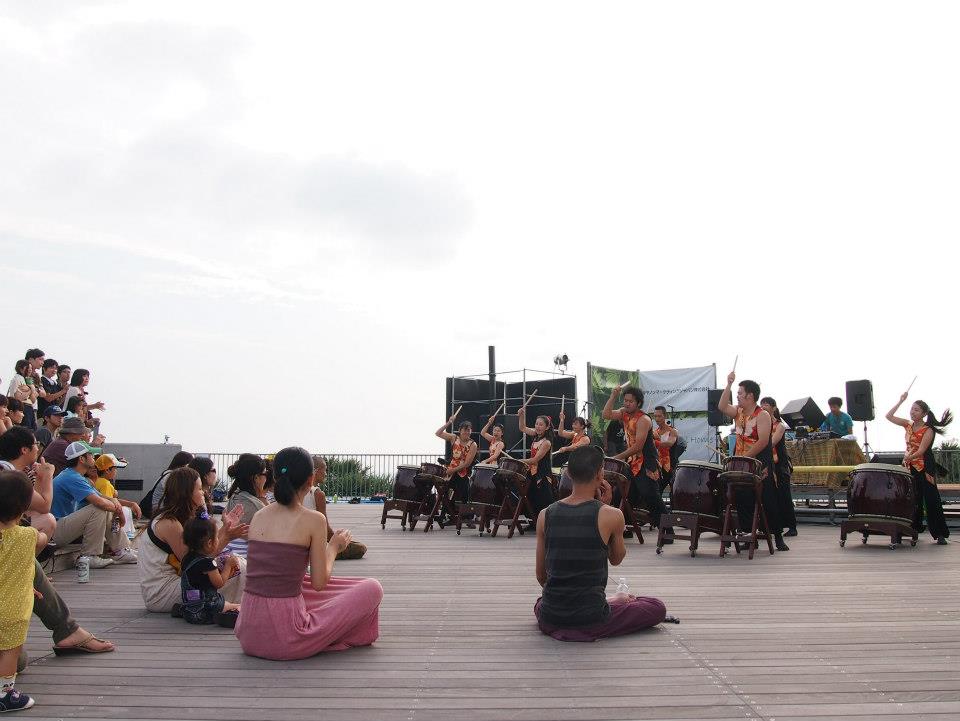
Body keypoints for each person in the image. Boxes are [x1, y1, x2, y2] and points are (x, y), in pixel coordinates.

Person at [235, 446, 383, 659]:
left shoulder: (260, 515)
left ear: (274, 478)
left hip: (249, 634)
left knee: (297, 579)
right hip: (286, 637)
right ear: (311, 479)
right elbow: (319, 583)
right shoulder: (314, 520)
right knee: (372, 588)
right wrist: (334, 547)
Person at [533, 445, 670, 641]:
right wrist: (607, 509)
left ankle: (607, 602)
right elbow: (616, 559)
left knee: (540, 602)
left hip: (551, 616)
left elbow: (541, 576)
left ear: (568, 473)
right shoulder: (612, 515)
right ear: (600, 474)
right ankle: (611, 602)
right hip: (592, 617)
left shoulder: (544, 514)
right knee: (656, 607)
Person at [138, 467, 247, 613]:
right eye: (200, 489)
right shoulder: (169, 523)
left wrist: (225, 529)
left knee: (235, 562)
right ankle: (234, 606)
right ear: (186, 493)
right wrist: (227, 536)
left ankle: (232, 605)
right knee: (236, 568)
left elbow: (205, 546)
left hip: (178, 584)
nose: (204, 492)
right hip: (162, 593)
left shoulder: (177, 517)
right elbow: (196, 562)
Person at [717, 373, 789, 551]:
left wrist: (744, 458)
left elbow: (763, 441)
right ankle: (750, 536)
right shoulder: (738, 412)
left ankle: (778, 536)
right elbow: (721, 406)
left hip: (759, 464)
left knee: (767, 500)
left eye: (740, 393)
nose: (737, 396)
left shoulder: (762, 415)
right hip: (742, 464)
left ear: (750, 396)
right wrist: (729, 384)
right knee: (743, 498)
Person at [0, 470, 46, 712]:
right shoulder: (27, 536)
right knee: (10, 651)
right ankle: (5, 694)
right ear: (24, 507)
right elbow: (42, 538)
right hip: (13, 610)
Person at [51, 441, 136, 566]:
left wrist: (114, 501)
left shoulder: (76, 476)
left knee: (105, 506)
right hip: (54, 532)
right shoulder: (71, 477)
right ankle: (89, 556)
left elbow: (101, 497)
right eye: (90, 454)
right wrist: (118, 510)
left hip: (63, 528)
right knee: (99, 508)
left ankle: (121, 550)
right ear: (81, 459)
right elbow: (100, 503)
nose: (94, 458)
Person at [601, 385, 670, 536]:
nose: (627, 403)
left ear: (638, 403)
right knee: (621, 495)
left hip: (647, 462)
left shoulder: (643, 419)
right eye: (625, 400)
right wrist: (613, 396)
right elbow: (606, 414)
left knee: (651, 496)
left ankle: (667, 531)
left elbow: (638, 446)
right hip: (632, 463)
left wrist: (617, 457)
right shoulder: (624, 413)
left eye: (630, 401)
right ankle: (624, 529)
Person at [886, 393, 953, 544]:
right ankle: (911, 528)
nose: (912, 412)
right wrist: (900, 401)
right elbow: (889, 416)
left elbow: (922, 450)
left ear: (924, 413)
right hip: (910, 465)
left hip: (925, 466)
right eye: (912, 409)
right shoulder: (908, 424)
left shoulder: (928, 429)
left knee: (931, 498)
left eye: (916, 410)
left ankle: (939, 533)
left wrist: (908, 457)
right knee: (911, 498)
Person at [179, 517, 241, 625]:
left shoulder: (186, 559)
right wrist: (228, 565)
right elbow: (219, 583)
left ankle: (182, 610)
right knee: (239, 606)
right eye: (217, 537)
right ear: (209, 543)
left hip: (190, 608)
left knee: (223, 602)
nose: (218, 539)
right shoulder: (208, 563)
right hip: (207, 609)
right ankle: (228, 615)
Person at [305, 456, 367, 560]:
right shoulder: (317, 493)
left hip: (298, 540)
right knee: (361, 548)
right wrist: (337, 542)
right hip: (314, 545)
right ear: (316, 471)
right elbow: (325, 529)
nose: (326, 473)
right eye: (325, 469)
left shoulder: (297, 491)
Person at [0, 426, 57, 539]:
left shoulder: (7, 468)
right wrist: (48, 476)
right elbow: (45, 506)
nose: (37, 448)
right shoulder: (12, 476)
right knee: (48, 520)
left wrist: (39, 477)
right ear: (24, 450)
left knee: (35, 514)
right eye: (36, 444)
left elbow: (32, 505)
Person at [760, 397, 798, 538]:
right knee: (771, 497)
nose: (763, 406)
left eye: (766, 404)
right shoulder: (761, 425)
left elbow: (771, 443)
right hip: (767, 464)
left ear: (774, 408)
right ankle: (775, 527)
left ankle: (792, 527)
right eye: (761, 404)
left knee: (784, 496)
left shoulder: (780, 426)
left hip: (779, 465)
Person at [517, 407, 558, 522]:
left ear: (547, 427)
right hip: (532, 472)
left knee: (542, 499)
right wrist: (521, 415)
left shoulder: (546, 442)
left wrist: (519, 461)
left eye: (541, 425)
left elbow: (535, 460)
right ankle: (534, 522)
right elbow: (522, 427)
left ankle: (546, 522)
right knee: (531, 497)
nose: (537, 427)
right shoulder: (535, 435)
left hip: (542, 473)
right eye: (536, 424)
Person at [222, 454, 267, 557]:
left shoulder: (235, 495)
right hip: (244, 558)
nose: (266, 478)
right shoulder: (255, 506)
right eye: (265, 473)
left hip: (227, 552)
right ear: (256, 477)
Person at [435, 415, 477, 504]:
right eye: (465, 430)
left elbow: (467, 463)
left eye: (469, 430)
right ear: (460, 430)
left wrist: (453, 470)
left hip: (463, 473)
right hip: (451, 472)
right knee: (446, 496)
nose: (467, 432)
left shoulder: (473, 444)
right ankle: (446, 511)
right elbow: (438, 433)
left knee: (463, 498)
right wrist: (449, 422)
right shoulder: (454, 438)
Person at [94, 454, 142, 531]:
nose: (116, 471)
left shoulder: (98, 481)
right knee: (126, 511)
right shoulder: (105, 484)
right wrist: (119, 517)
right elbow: (108, 505)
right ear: (107, 470)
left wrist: (131, 504)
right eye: (115, 468)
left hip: (100, 521)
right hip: (105, 523)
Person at [144, 450, 194, 517]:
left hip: (158, 508)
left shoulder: (167, 473)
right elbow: (178, 496)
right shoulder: (171, 476)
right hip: (159, 510)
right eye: (189, 465)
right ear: (185, 464)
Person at [652, 406, 677, 493]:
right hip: (659, 467)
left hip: (671, 466)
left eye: (659, 416)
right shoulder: (654, 432)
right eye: (655, 416)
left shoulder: (672, 431)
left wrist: (654, 442)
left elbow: (669, 443)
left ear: (665, 416)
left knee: (674, 492)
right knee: (657, 491)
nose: (657, 419)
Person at [6, 361, 35, 430]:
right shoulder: (17, 379)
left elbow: (33, 399)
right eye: (28, 367)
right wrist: (31, 389)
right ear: (21, 369)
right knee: (26, 430)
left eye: (31, 368)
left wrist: (30, 389)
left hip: (30, 407)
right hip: (23, 406)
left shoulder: (27, 379)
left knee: (32, 430)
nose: (30, 370)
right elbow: (18, 397)